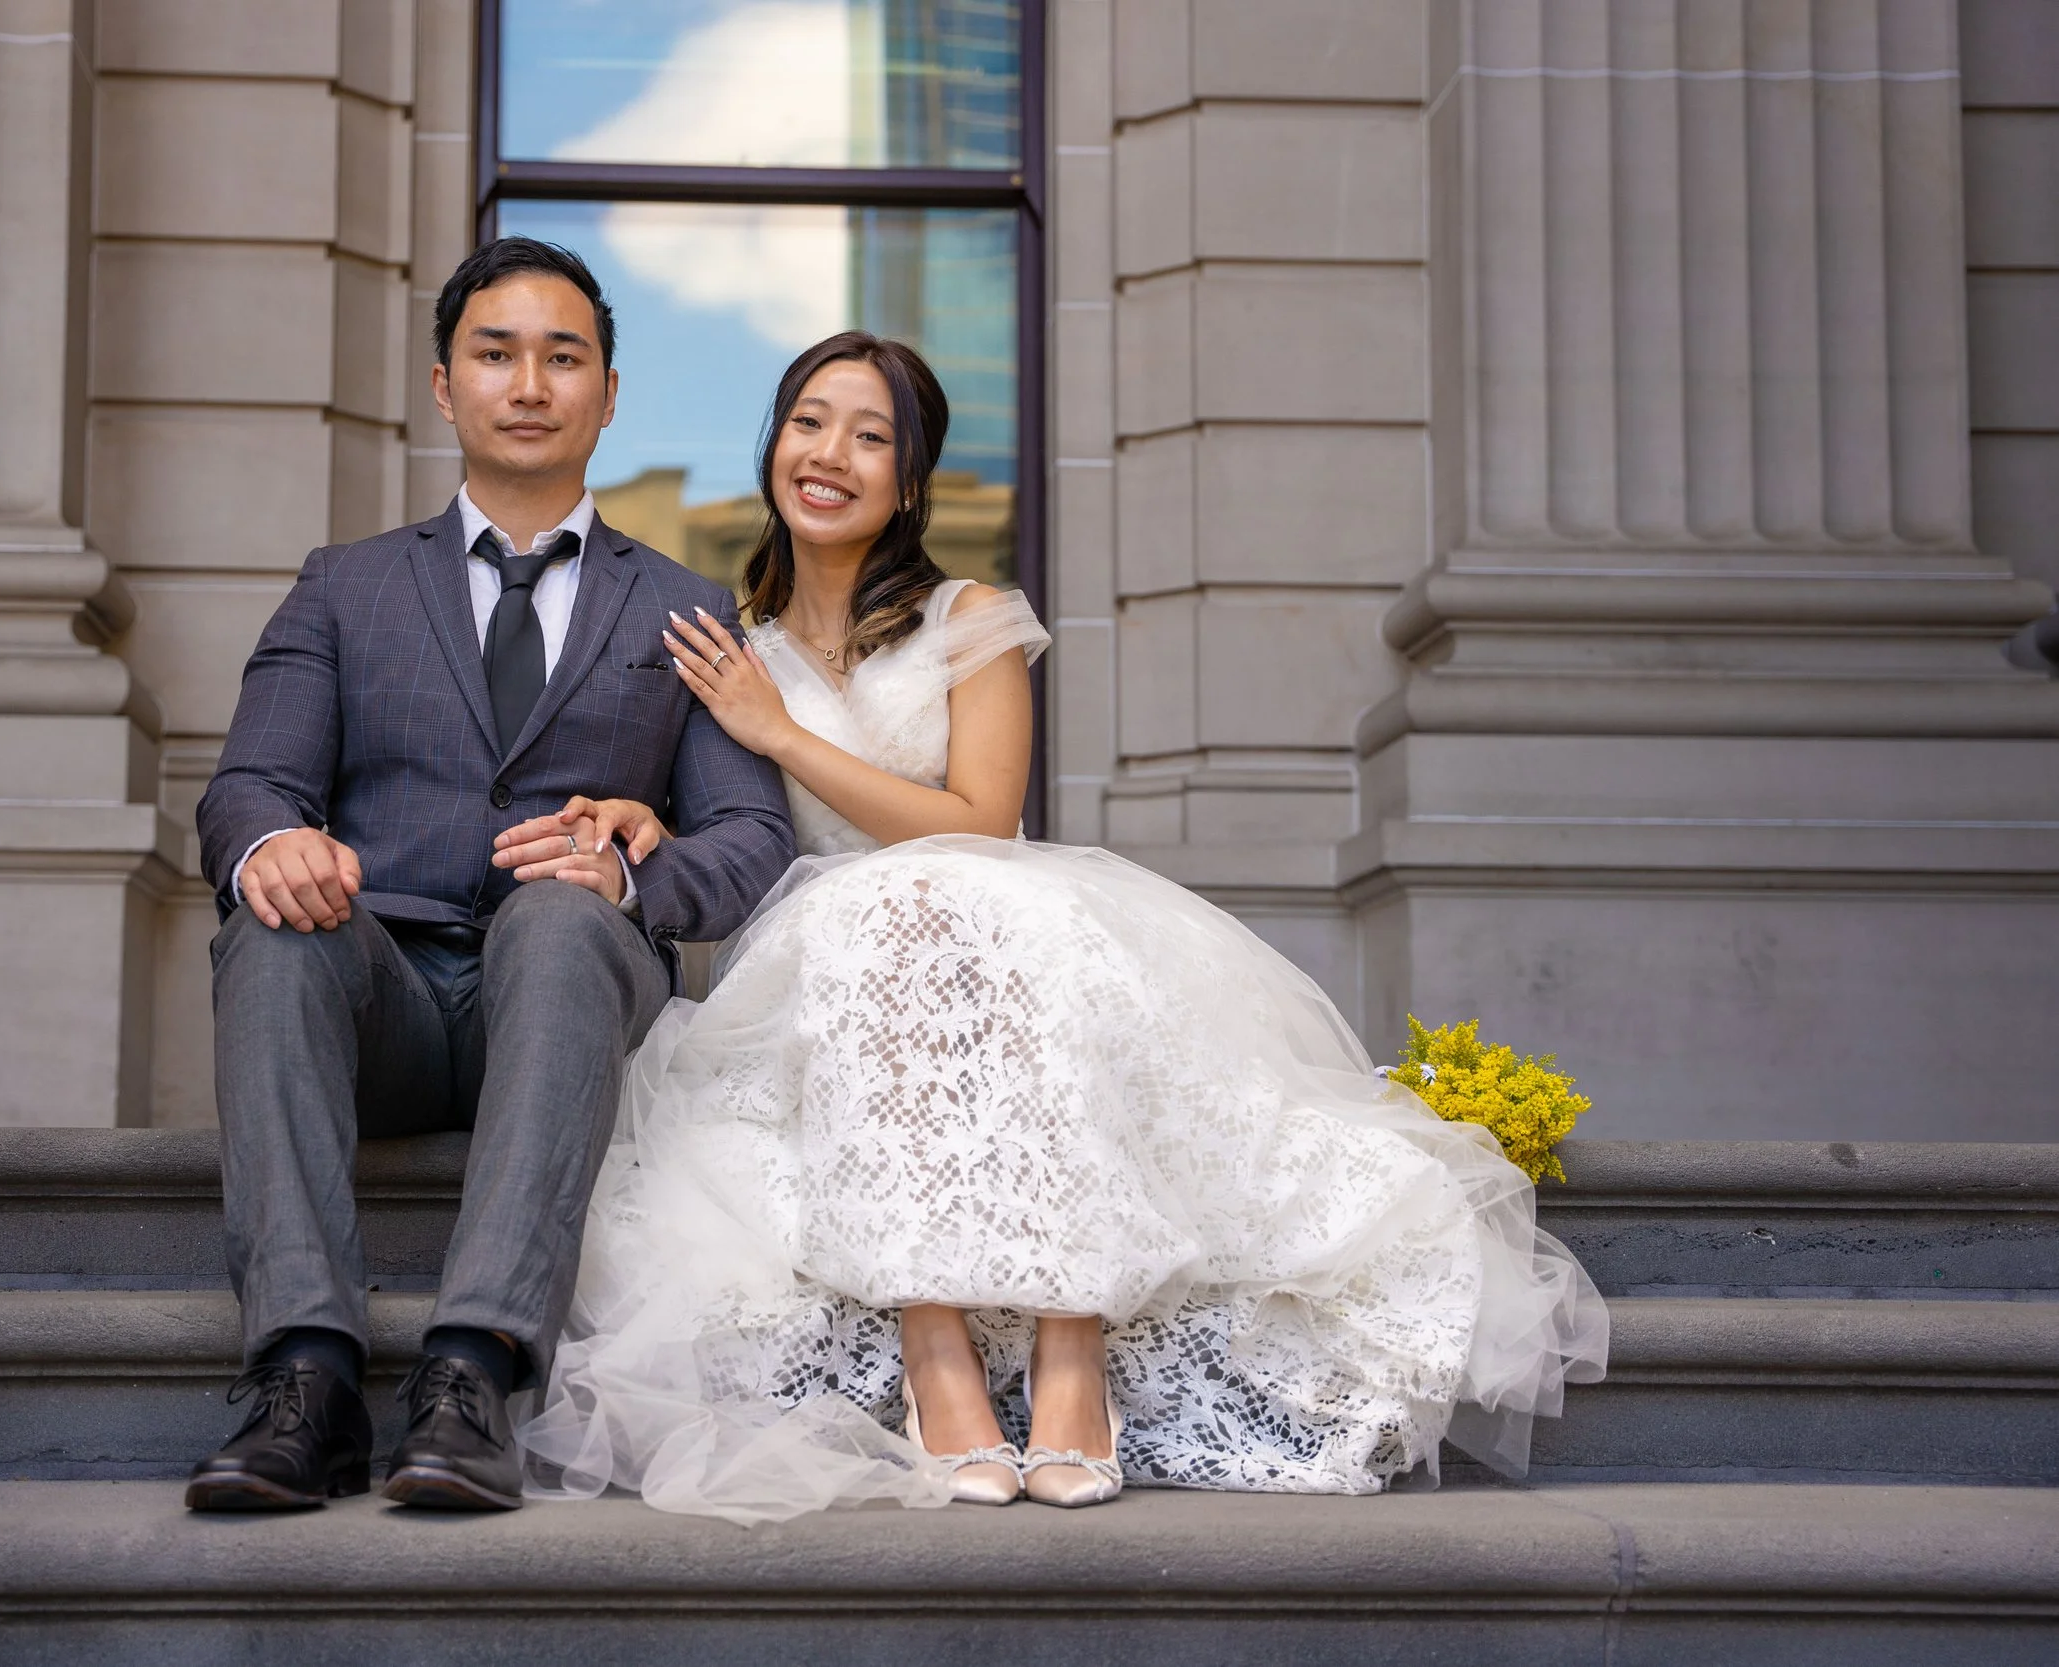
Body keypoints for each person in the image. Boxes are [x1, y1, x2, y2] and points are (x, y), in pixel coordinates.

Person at [516, 333, 1610, 1523]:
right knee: (873, 923)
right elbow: (728, 828)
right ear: (774, 440)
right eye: (809, 421)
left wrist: (782, 734)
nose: (830, 454)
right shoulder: (726, 641)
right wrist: (645, 817)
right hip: (821, 950)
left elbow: (977, 817)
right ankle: (936, 1349)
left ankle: (1070, 1343)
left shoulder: (967, 615)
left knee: (938, 894)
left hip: (992, 921)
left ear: (909, 477)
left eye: (870, 435)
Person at [184, 238, 794, 1513]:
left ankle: (471, 1375)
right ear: (444, 385)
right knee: (273, 922)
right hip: (383, 998)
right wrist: (269, 846)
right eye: (495, 353)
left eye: (562, 356)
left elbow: (751, 837)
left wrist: (633, 875)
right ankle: (307, 1375)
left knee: (565, 916)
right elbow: (249, 787)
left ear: (609, 395)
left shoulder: (684, 607)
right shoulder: (343, 588)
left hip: (568, 992)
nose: (529, 382)